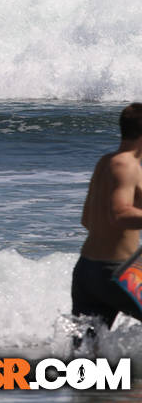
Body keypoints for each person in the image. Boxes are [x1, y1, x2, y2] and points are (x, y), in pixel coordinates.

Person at [72, 102, 142, 335]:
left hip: (87, 270)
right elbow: (120, 214)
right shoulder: (126, 165)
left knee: (85, 355)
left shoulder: (106, 162)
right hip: (117, 273)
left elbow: (87, 219)